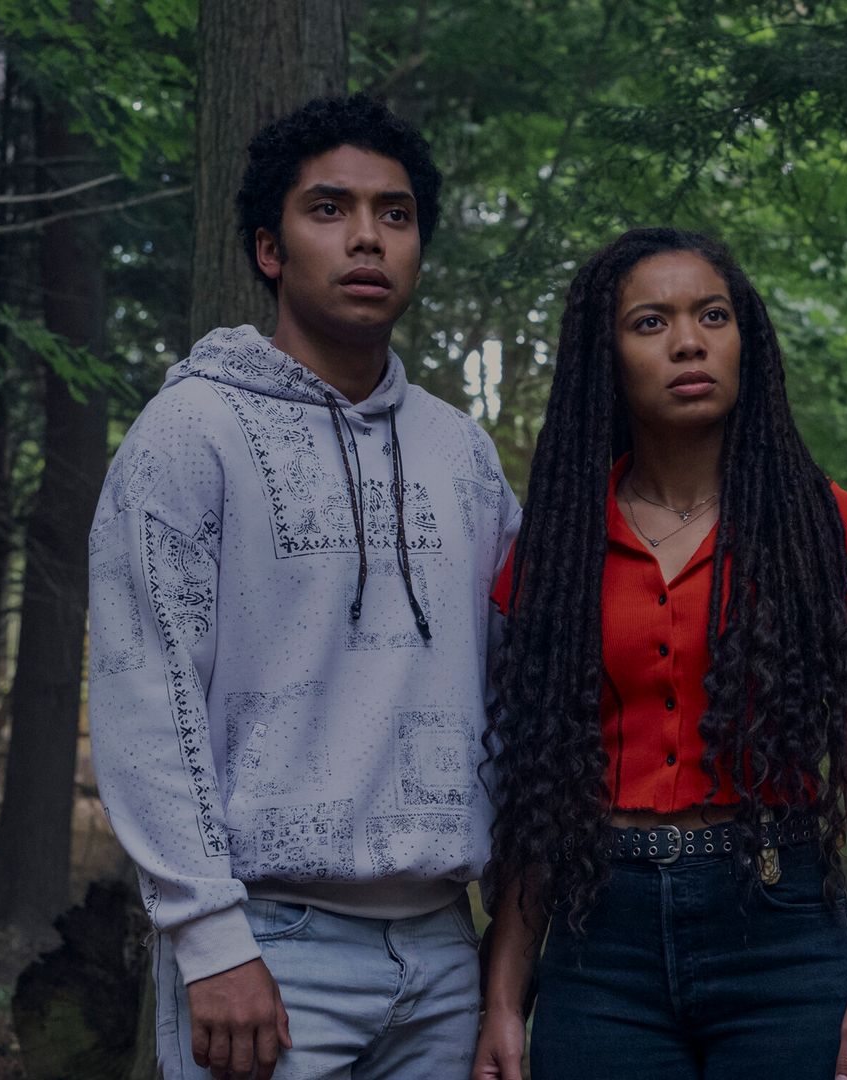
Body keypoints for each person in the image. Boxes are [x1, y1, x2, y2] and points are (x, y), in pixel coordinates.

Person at [88, 94, 519, 1080]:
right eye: (329, 209)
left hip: (447, 953)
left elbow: (516, 693)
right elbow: (144, 691)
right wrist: (209, 939)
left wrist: (509, 938)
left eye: (395, 214)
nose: (367, 237)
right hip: (267, 951)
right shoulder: (190, 434)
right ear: (269, 249)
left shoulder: (463, 456)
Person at [468, 228, 847, 1080]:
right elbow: (537, 782)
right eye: (650, 323)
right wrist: (503, 995)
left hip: (782, 926)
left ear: (746, 339)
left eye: (712, 316)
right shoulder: (556, 552)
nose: (687, 341)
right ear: (608, 358)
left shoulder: (833, 530)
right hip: (604, 939)